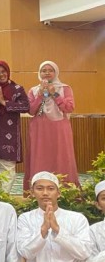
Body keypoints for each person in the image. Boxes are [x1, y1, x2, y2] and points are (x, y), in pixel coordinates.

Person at [23, 61, 79, 191]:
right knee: (39, 159)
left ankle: (65, 191)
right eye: (44, 70)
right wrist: (40, 95)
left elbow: (69, 107)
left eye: (50, 70)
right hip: (39, 130)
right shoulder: (34, 90)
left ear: (56, 72)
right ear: (39, 73)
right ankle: (37, 191)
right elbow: (31, 110)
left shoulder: (65, 88)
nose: (47, 73)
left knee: (62, 158)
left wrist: (54, 94)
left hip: (59, 130)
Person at [0, 60, 30, 191]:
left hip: (8, 135)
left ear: (8, 72)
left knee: (7, 170)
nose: (1, 74)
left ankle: (3, 198)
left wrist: (4, 102)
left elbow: (26, 106)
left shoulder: (16, 89)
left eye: (4, 71)